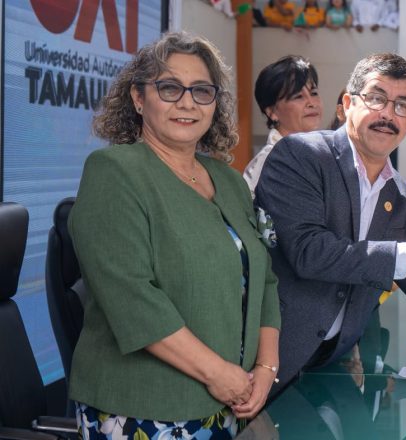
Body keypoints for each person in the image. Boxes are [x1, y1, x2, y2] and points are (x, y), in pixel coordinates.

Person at [69, 32, 282, 438]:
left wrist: (265, 369)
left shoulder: (230, 181)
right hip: (143, 409)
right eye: (170, 88)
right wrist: (220, 374)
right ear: (137, 98)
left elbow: (264, 279)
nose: (187, 103)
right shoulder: (113, 172)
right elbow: (133, 299)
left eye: (201, 91)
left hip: (233, 400)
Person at [254, 53, 406, 390]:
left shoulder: (404, 200)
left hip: (330, 369)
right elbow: (309, 252)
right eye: (376, 99)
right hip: (268, 363)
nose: (388, 114)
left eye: (403, 105)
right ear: (347, 103)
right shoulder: (300, 155)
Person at [243, 56, 323, 197]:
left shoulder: (324, 154)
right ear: (272, 112)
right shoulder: (266, 163)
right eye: (298, 96)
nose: (311, 103)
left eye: (314, 93)